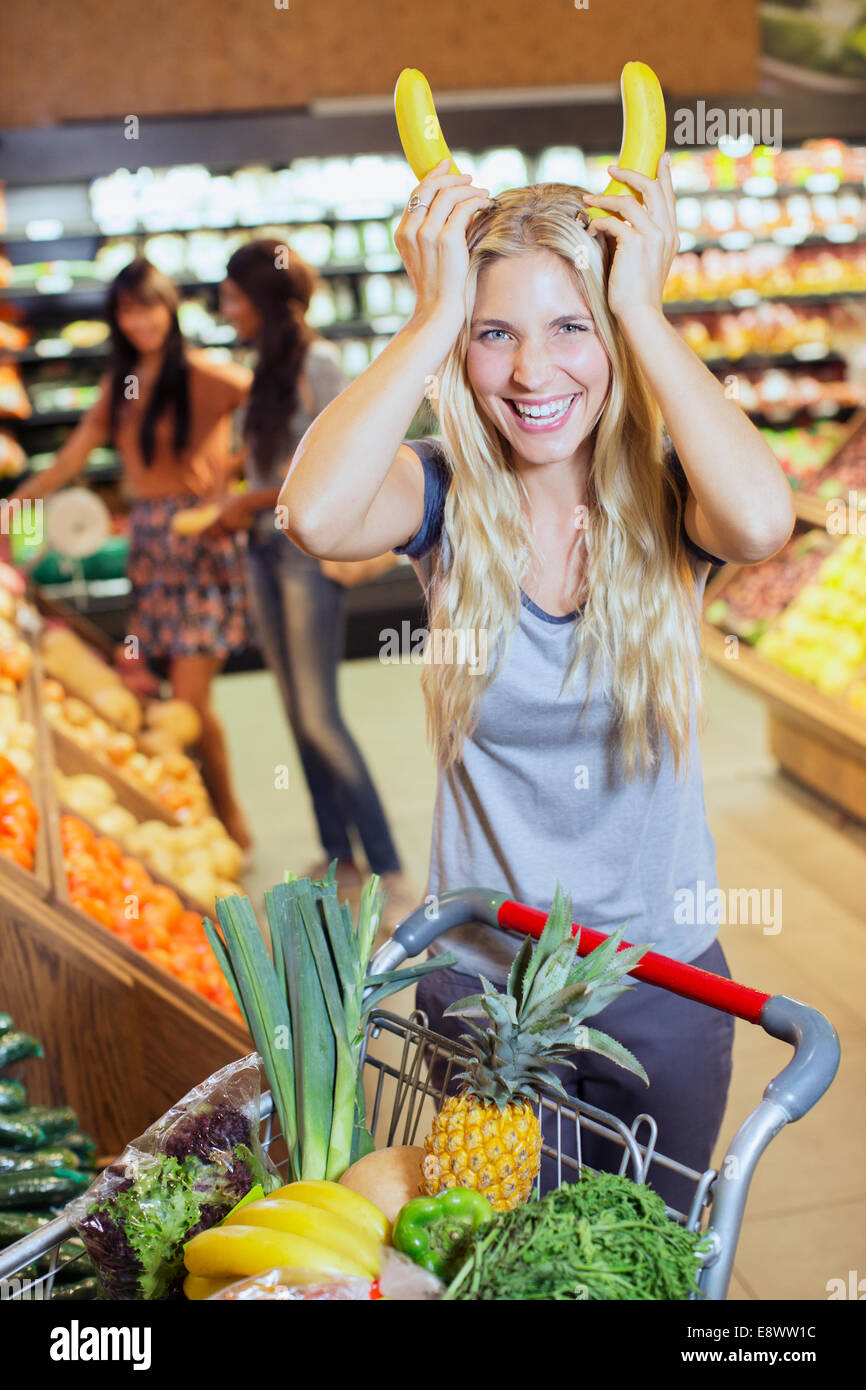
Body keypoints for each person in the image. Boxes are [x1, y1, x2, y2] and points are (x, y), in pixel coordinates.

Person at [277, 155, 796, 1210]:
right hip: (481, 980)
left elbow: (760, 520)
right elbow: (316, 516)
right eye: (494, 332)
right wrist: (430, 317)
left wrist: (640, 314)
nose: (530, 372)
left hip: (659, 980)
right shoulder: (442, 495)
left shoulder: (667, 500)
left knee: (639, 1252)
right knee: (500, 1259)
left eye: (570, 328)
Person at [13, 257, 254, 850]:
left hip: (199, 545)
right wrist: (12, 507)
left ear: (168, 307)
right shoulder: (119, 387)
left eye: (147, 305)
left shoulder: (205, 374)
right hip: (149, 549)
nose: (139, 320)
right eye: (126, 310)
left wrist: (235, 487)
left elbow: (281, 415)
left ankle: (224, 826)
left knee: (189, 704)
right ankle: (218, 821)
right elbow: (70, 461)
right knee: (181, 705)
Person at [215, 239, 414, 908]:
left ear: (264, 300)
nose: (225, 308)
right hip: (263, 553)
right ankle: (339, 853)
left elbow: (360, 450)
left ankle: (385, 862)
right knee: (295, 714)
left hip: (305, 557)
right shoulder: (264, 365)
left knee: (321, 715)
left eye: (234, 296)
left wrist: (254, 497)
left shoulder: (319, 362)